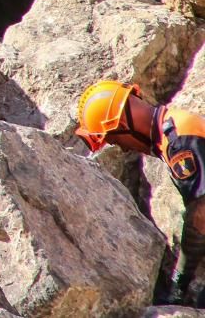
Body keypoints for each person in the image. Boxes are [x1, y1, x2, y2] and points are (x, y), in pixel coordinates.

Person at [76, 80, 205, 307]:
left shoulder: (179, 143)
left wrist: (179, 283)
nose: (124, 148)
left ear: (123, 123)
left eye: (115, 139)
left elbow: (201, 216)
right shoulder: (174, 128)